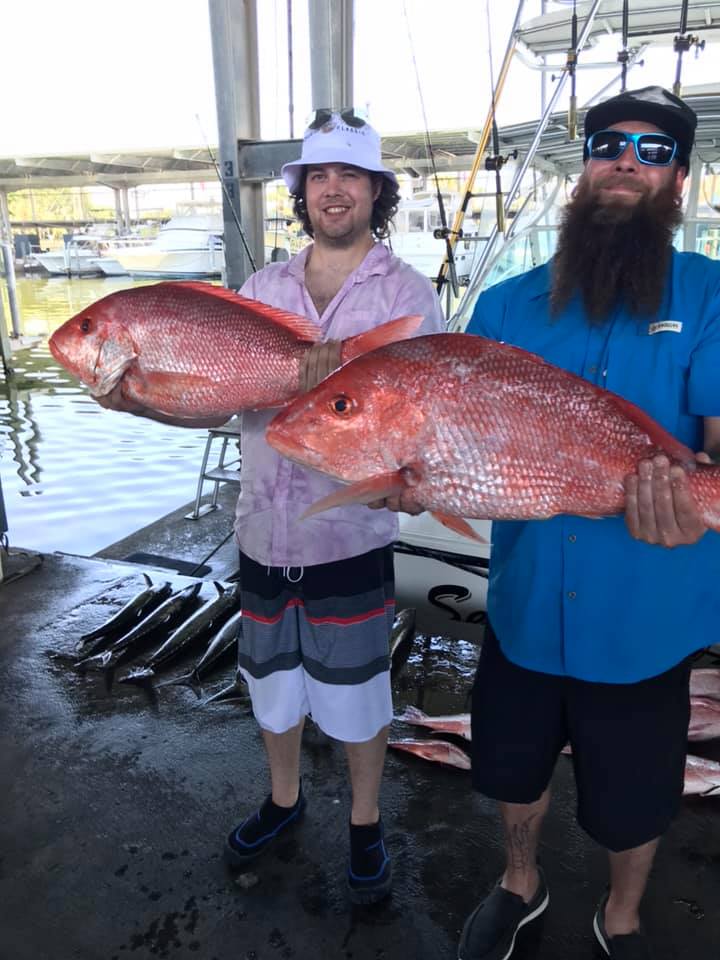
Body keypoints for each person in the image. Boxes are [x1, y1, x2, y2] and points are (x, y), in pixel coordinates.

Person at [379, 86, 720, 958]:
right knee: (510, 767)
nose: (627, 164)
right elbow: (448, 431)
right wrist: (410, 471)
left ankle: (625, 914)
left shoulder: (712, 296)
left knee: (635, 794)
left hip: (645, 615)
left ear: (678, 179)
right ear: (583, 168)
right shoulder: (506, 306)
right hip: (526, 609)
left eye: (653, 152)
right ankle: (519, 882)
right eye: (610, 145)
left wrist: (696, 508)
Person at [98, 109, 444, 903]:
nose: (333, 190)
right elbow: (219, 402)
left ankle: (364, 822)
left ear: (375, 191)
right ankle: (284, 802)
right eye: (319, 176)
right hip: (261, 528)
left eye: (349, 176)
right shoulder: (262, 290)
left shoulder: (407, 294)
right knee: (273, 683)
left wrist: (353, 407)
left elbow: (420, 418)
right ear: (302, 192)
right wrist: (142, 401)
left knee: (358, 695)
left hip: (350, 532)